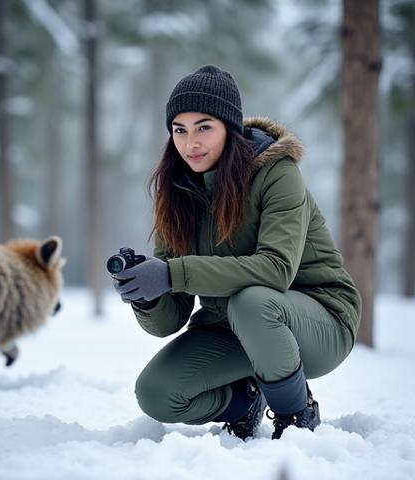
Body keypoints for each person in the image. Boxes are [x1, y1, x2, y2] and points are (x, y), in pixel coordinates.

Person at [110, 65, 361, 441]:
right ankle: (245, 401)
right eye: (180, 130)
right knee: (157, 394)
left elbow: (276, 270)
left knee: (253, 302)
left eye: (204, 127)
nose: (190, 143)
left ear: (230, 127)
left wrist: (172, 273)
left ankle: (296, 415)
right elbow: (170, 320)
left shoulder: (277, 174)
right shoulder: (176, 192)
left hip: (318, 320)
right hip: (230, 326)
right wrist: (147, 295)